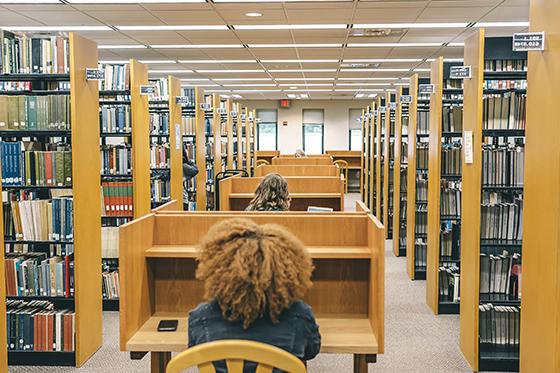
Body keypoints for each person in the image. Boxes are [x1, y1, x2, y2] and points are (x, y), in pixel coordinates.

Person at [188, 218, 321, 372]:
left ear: (219, 269)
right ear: (285, 271)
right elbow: (312, 350)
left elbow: (194, 352)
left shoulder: (201, 318)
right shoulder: (300, 316)